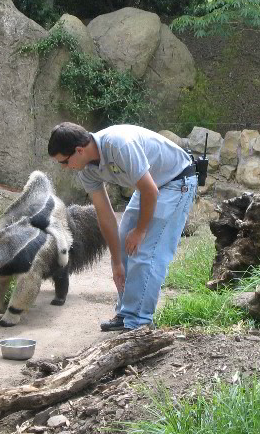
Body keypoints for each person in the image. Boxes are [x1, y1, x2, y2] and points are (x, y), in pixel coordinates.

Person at [48, 122, 197, 331]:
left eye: (64, 162)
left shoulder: (119, 145)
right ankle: (127, 314)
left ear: (79, 151)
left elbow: (151, 192)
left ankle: (139, 323)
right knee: (125, 242)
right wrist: (116, 261)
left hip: (176, 182)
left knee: (146, 252)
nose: (65, 168)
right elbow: (104, 213)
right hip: (149, 185)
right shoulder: (85, 169)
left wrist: (141, 231)